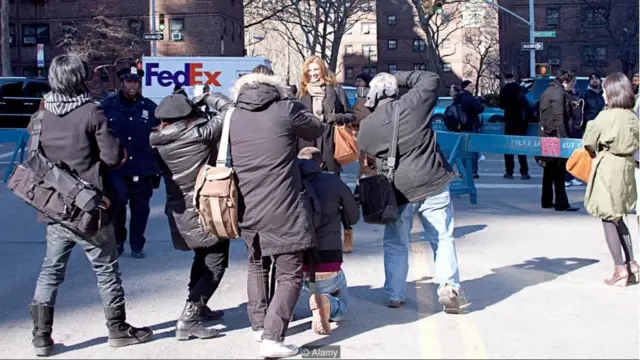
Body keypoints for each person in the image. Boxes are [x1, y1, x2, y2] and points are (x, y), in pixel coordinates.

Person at [27, 54, 152, 357]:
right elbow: (112, 157)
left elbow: (33, 160)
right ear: (80, 78)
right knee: (106, 270)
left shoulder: (41, 117)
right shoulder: (92, 113)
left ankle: (41, 337)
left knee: (50, 271)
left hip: (55, 207)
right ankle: (117, 329)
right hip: (90, 208)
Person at [229, 69, 325, 357]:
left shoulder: (233, 115)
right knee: (289, 274)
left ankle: (259, 326)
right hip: (283, 206)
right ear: (276, 88)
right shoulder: (285, 109)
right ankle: (273, 337)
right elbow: (316, 128)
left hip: (246, 204)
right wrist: (293, 100)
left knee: (257, 265)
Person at [357, 71, 462, 313]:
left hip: (398, 190)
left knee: (396, 244)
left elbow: (365, 148)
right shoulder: (414, 104)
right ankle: (448, 287)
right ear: (394, 90)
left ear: (373, 95)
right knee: (442, 237)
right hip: (432, 179)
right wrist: (398, 77)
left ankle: (395, 294)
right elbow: (431, 79)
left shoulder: (368, 126)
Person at [150, 93, 233, 340]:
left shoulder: (157, 139)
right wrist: (207, 97)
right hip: (207, 206)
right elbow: (230, 110)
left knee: (202, 256)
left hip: (180, 210)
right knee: (216, 264)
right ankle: (189, 318)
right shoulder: (198, 133)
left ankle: (199, 305)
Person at [582, 72, 639, 286]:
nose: (604, 94)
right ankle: (632, 264)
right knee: (619, 216)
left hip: (608, 165)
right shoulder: (632, 116)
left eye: (606, 90)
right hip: (627, 166)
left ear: (612, 92)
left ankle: (619, 269)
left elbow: (589, 141)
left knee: (607, 217)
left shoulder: (605, 116)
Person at [297, 56, 357, 255]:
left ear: (323, 70)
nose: (313, 74)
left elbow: (351, 115)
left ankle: (347, 233)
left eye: (316, 70)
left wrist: (334, 117)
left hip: (329, 145)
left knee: (336, 193)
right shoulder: (301, 93)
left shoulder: (335, 90)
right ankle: (312, 235)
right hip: (307, 147)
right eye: (310, 71)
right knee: (308, 193)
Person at [297, 147, 359, 335]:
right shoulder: (333, 181)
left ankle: (285, 312)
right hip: (327, 259)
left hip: (295, 260)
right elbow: (354, 217)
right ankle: (327, 303)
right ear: (321, 164)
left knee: (296, 285)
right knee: (343, 308)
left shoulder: (289, 182)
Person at [101, 65, 160, 258]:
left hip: (142, 167)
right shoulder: (108, 106)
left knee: (140, 209)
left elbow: (161, 134)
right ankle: (118, 241)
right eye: (129, 81)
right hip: (116, 167)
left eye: (136, 82)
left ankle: (137, 244)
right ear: (122, 82)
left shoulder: (150, 108)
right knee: (117, 206)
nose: (132, 85)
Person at [538, 70, 579, 212]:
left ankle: (547, 200)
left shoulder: (548, 90)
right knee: (559, 172)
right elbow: (558, 117)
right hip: (555, 137)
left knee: (549, 171)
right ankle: (561, 203)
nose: (573, 86)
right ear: (565, 82)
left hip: (546, 135)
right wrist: (564, 140)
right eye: (572, 83)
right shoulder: (558, 93)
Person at [500, 73, 531, 180]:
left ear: (505, 80)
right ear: (514, 79)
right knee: (521, 147)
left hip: (509, 121)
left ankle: (509, 172)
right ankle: (524, 172)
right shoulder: (521, 89)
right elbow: (529, 104)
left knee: (508, 148)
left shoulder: (504, 91)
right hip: (521, 122)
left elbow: (502, 105)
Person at [455, 80, 485, 178]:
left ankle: (462, 171)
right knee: (472, 149)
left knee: (463, 150)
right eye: (471, 86)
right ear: (466, 87)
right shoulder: (469, 98)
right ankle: (472, 171)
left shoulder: (457, 98)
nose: (473, 88)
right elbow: (480, 109)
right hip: (470, 125)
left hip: (460, 127)